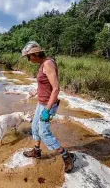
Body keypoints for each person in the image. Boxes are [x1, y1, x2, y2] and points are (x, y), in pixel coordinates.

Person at [21, 41, 75, 173]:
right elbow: (45, 84)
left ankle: (66, 156)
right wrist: (35, 91)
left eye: (29, 57)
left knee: (44, 132)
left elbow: (56, 89)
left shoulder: (48, 64)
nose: (28, 60)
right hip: (42, 102)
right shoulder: (42, 64)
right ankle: (36, 151)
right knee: (35, 127)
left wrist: (47, 110)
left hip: (48, 105)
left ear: (36, 54)